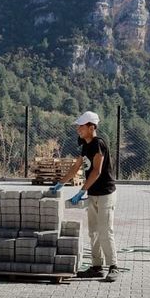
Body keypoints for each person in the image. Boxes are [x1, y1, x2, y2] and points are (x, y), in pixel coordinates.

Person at [51, 111, 118, 282]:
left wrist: (81, 190)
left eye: (81, 126)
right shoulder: (86, 144)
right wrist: (61, 182)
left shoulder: (98, 144)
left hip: (105, 194)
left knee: (105, 231)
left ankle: (113, 266)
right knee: (93, 231)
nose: (78, 129)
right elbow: (77, 167)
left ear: (91, 127)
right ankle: (97, 267)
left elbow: (96, 171)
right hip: (93, 193)